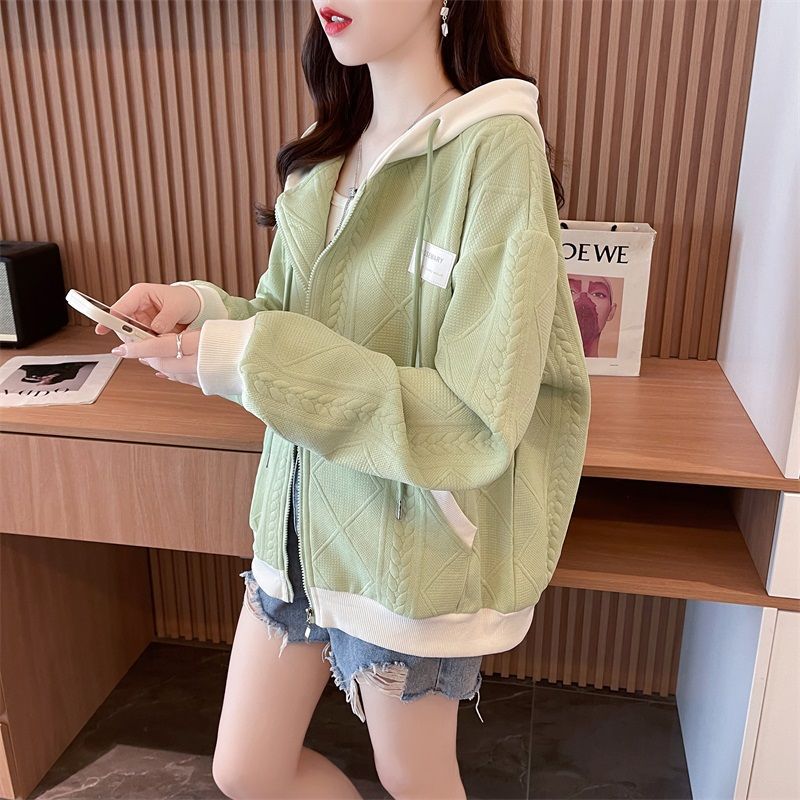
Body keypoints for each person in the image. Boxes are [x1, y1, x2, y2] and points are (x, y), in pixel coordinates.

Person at [96, 1, 591, 797]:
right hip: (300, 526)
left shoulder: (496, 151)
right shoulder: (323, 155)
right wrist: (203, 309)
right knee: (247, 770)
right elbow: (286, 322)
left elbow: (475, 415)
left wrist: (249, 355)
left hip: (409, 538)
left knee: (413, 776)